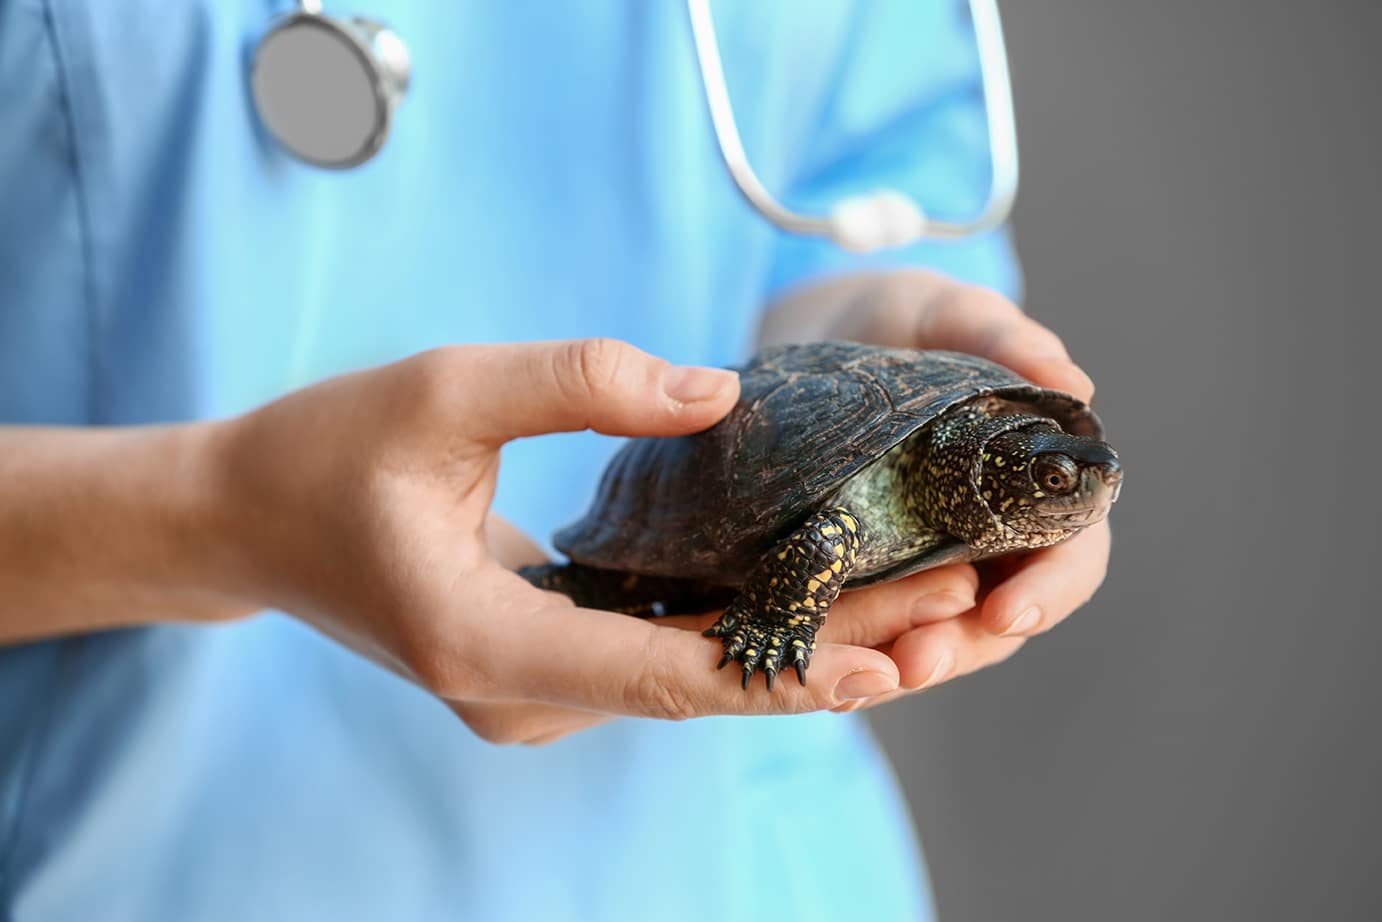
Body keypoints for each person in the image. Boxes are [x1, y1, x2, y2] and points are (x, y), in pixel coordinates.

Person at [0, 2, 1110, 920]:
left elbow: (860, 207)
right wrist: (222, 515)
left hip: (735, 864)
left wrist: (887, 313)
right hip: (158, 850)